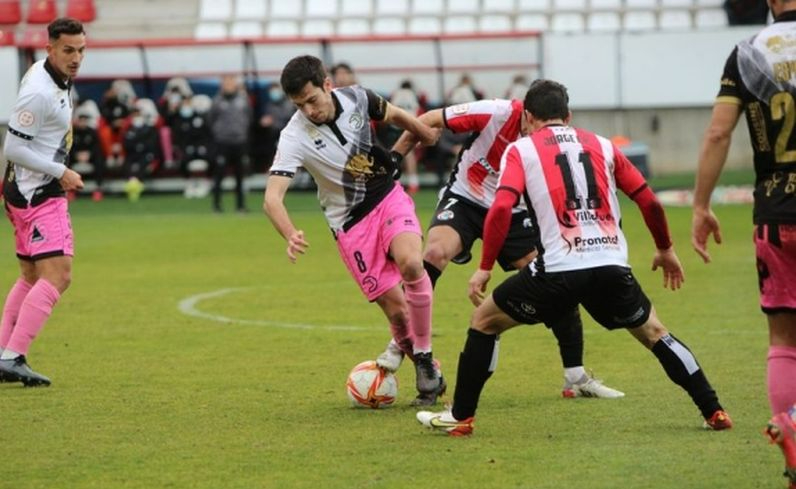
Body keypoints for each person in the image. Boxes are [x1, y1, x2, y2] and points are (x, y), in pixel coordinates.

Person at [417, 79, 732, 436]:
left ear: (529, 117)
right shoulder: (602, 144)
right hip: (612, 264)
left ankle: (461, 417)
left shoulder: (521, 149)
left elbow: (502, 206)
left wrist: (485, 267)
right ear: (568, 115)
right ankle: (714, 410)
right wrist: (665, 248)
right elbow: (649, 201)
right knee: (655, 332)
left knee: (484, 321)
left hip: (559, 269)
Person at [392, 96, 624, 399]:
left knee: (558, 279)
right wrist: (394, 158)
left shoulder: (552, 138)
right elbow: (430, 118)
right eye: (535, 125)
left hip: (513, 213)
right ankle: (402, 344)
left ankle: (576, 377)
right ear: (526, 115)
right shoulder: (495, 112)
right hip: (466, 198)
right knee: (434, 253)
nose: (542, 132)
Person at [263, 55, 445, 405]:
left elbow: (393, 114)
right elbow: (272, 199)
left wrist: (424, 134)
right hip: (349, 225)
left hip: (388, 197)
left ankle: (423, 363)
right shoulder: (293, 137)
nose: (309, 111)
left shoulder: (357, 98)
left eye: (312, 100)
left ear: (327, 85)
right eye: (299, 105)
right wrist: (289, 232)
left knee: (411, 263)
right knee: (397, 313)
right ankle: (428, 367)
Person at [691, 1, 796, 485]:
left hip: (776, 211)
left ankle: (792, 443)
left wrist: (700, 205)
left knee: (783, 338)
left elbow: (718, 133)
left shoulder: (748, 53)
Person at [0, 17, 86, 386]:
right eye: (68, 50)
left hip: (23, 190)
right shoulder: (39, 91)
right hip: (39, 191)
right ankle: (14, 357)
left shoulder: (52, 75)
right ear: (49, 48)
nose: (77, 58)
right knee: (59, 275)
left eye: (81, 50)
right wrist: (60, 172)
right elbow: (13, 147)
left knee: (31, 275)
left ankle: (3, 354)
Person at [209, 75, 252, 213]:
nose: (228, 85)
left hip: (239, 142)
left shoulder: (243, 100)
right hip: (222, 142)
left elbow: (248, 117)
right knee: (219, 175)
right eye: (226, 83)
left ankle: (240, 206)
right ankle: (217, 205)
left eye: (231, 83)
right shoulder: (217, 101)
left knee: (240, 176)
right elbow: (210, 119)